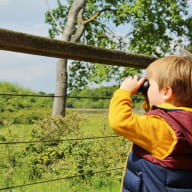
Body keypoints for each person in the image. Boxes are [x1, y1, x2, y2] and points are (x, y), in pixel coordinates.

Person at [108, 55, 192, 192]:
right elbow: (165, 115)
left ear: (166, 92)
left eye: (150, 85)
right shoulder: (183, 122)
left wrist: (124, 92)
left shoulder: (164, 127)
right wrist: (150, 99)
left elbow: (120, 121)